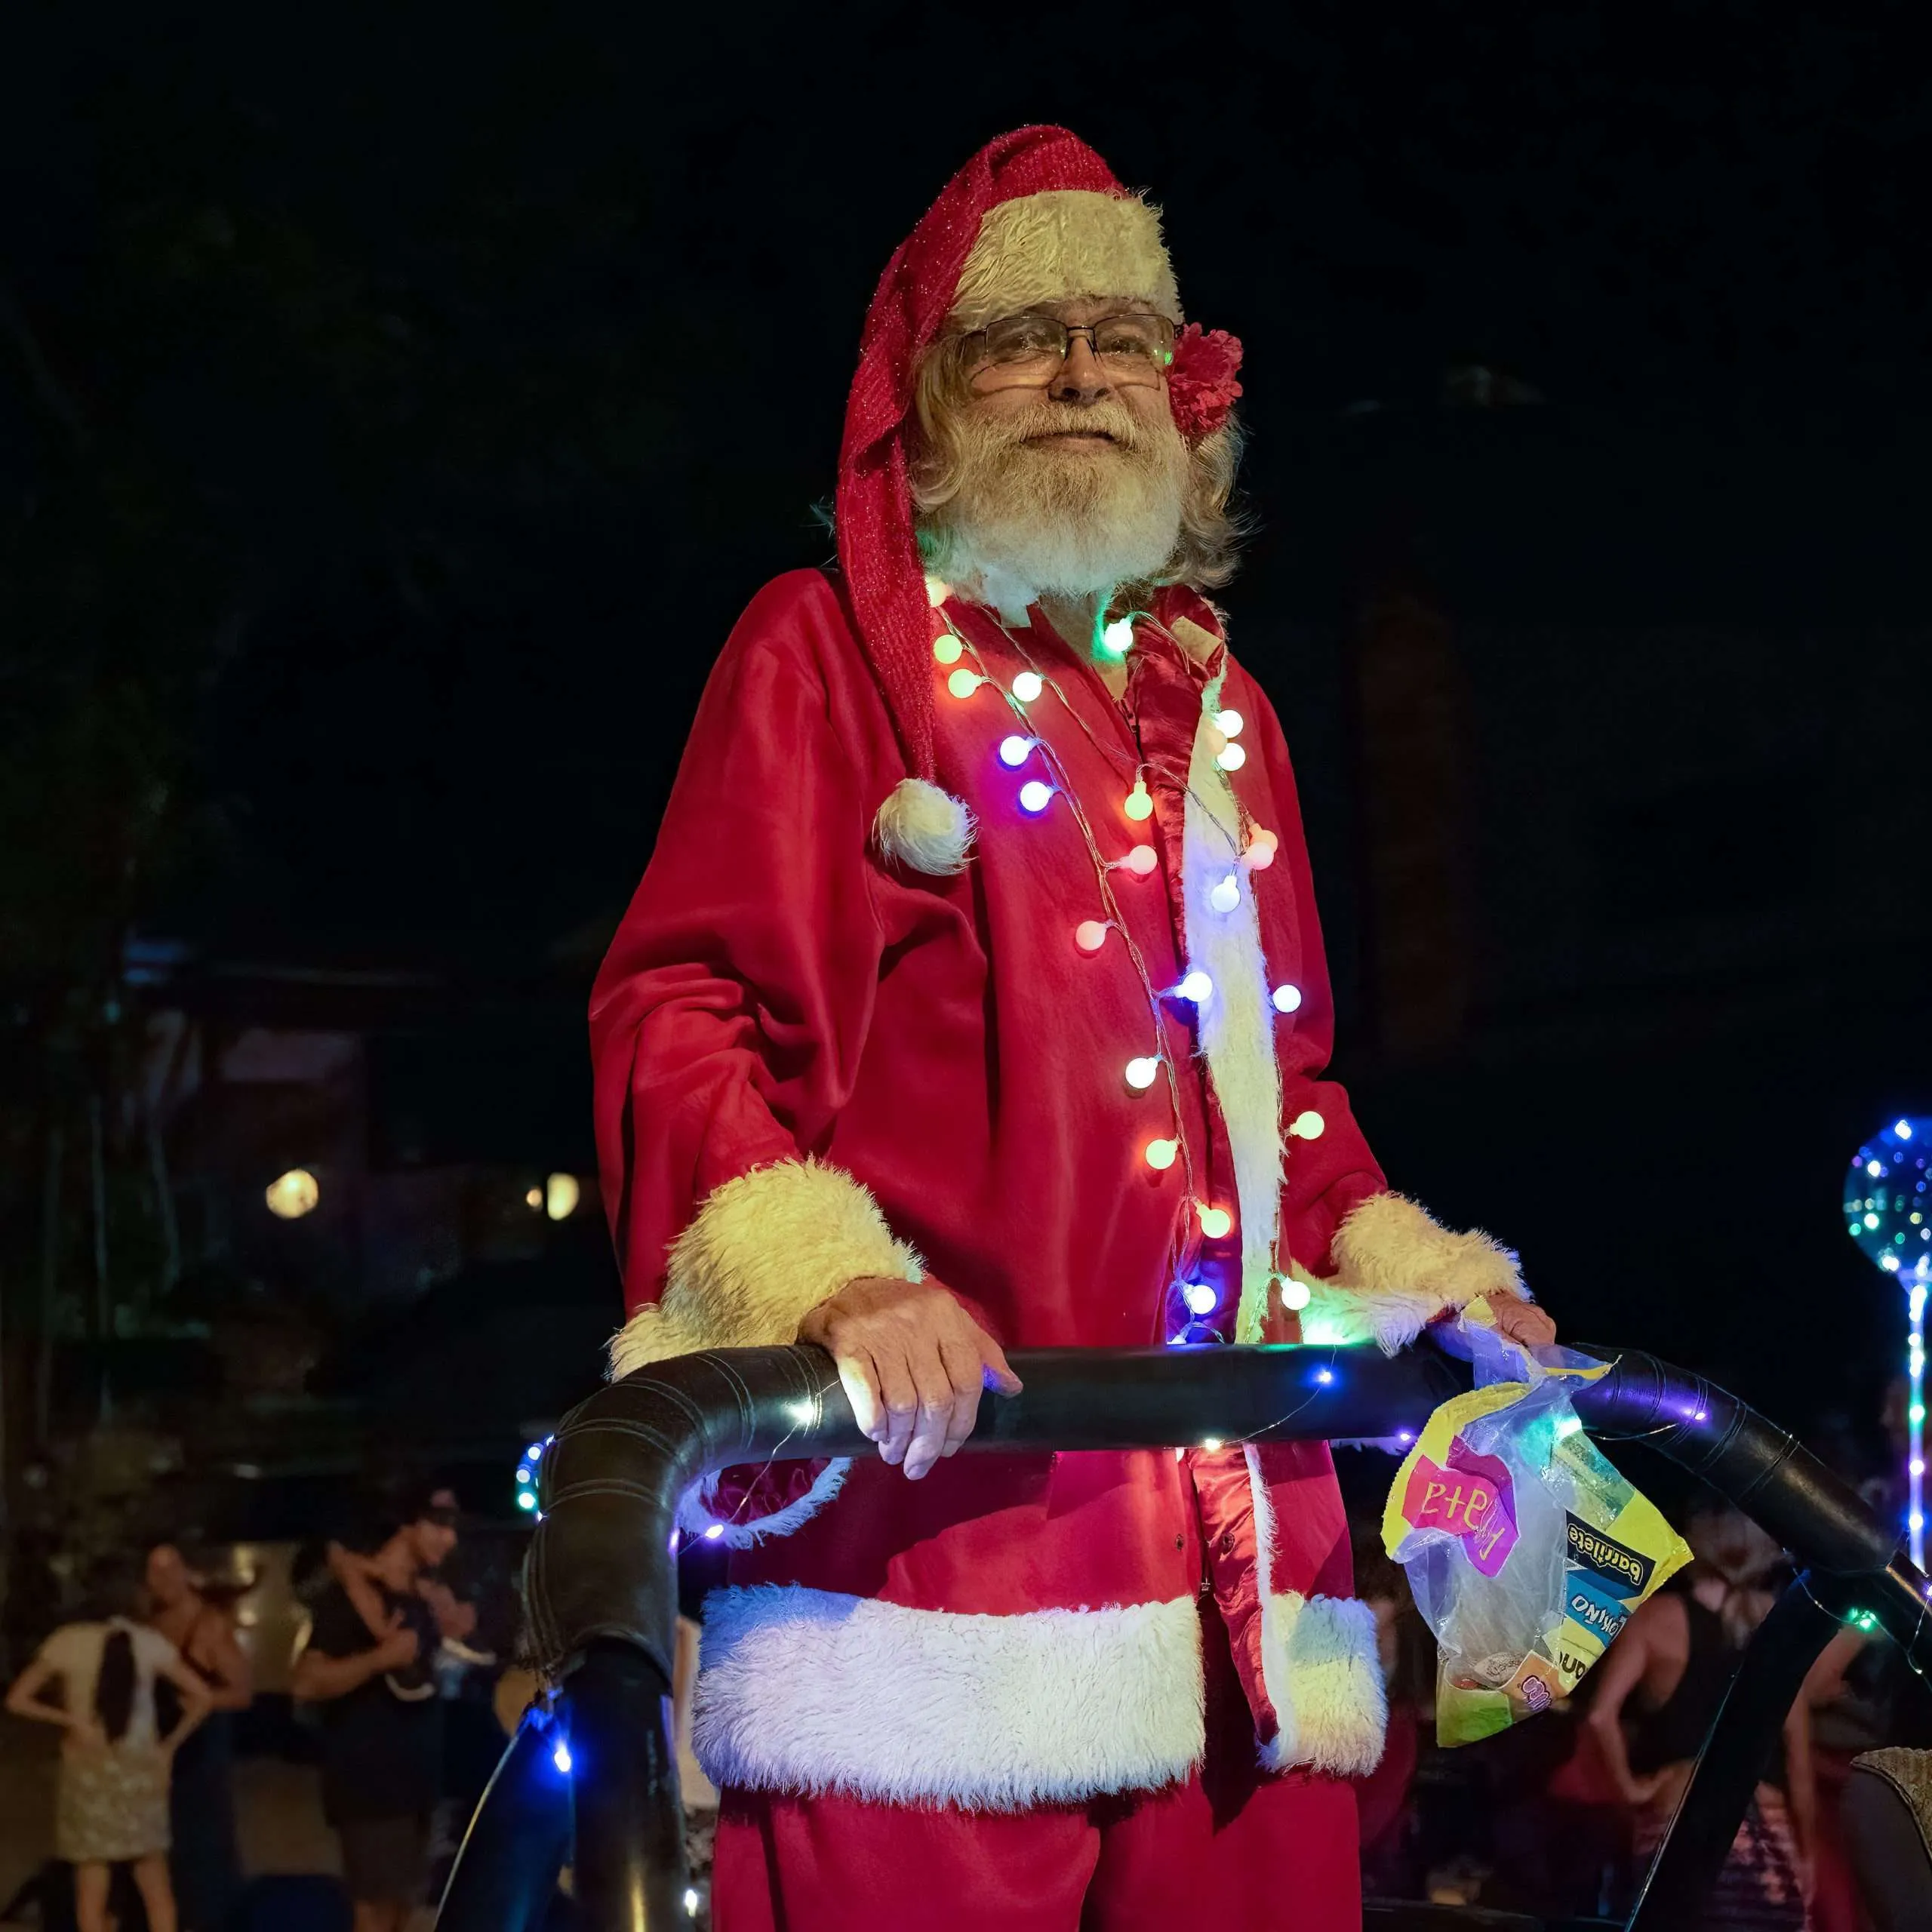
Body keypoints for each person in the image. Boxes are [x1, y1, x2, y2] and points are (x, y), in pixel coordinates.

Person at [589, 126, 1556, 1931]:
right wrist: (826, 1280)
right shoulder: (823, 652)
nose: (1079, 374)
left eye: (1122, 337)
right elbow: (682, 1006)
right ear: (933, 398)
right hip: (935, 1574)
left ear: (1183, 396)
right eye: (1022, 339)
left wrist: (1423, 1270)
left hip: (1250, 1575)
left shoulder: (1230, 708)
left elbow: (1289, 1100)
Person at [1587, 1505, 1817, 1928]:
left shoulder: (1656, 1620)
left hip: (1674, 1817)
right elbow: (1799, 1765)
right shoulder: (1783, 1625)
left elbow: (1601, 1716)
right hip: (1767, 1832)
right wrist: (1806, 1856)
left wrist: (1631, 1790)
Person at [4, 1558, 213, 1932]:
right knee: (156, 1890)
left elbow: (17, 1700)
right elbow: (203, 1698)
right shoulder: (149, 1643)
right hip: (141, 1773)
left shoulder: (66, 1642)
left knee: (92, 1891)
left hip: (87, 1773)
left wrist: (70, 1721)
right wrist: (168, 1747)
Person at [291, 1484, 459, 1932]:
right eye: (441, 1524)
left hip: (418, 1782)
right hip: (369, 1784)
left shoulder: (417, 1598)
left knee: (404, 1907)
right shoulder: (346, 1601)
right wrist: (378, 1660)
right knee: (374, 1911)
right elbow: (306, 1683)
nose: (451, 1538)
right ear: (407, 1525)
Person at [144, 1543, 253, 1932]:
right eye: (155, 1572)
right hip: (158, 1757)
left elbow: (242, 1693)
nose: (164, 1580)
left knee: (203, 1853)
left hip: (201, 1757)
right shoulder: (150, 1625)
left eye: (171, 1569)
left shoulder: (209, 1626)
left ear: (187, 1572)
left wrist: (197, 1701)